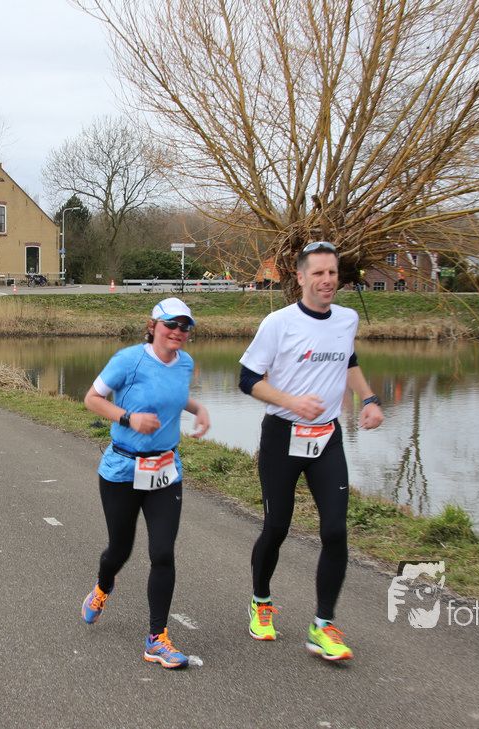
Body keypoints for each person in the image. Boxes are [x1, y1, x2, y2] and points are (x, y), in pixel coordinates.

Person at [237, 241, 384, 661]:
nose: (327, 280)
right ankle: (261, 601)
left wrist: (369, 399)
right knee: (277, 527)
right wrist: (290, 401)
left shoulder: (347, 319)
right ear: (300, 277)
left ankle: (323, 625)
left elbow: (348, 362)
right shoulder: (279, 323)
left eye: (332, 273)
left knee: (335, 531)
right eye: (318, 273)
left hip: (326, 438)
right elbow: (247, 380)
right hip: (283, 436)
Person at [81, 297, 210, 669]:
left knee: (163, 553)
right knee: (119, 551)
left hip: (165, 470)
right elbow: (92, 399)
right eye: (171, 324)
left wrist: (198, 408)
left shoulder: (185, 363)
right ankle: (103, 586)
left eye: (185, 326)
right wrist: (128, 418)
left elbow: (174, 396)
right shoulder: (128, 360)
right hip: (123, 469)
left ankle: (157, 638)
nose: (178, 332)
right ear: (153, 326)